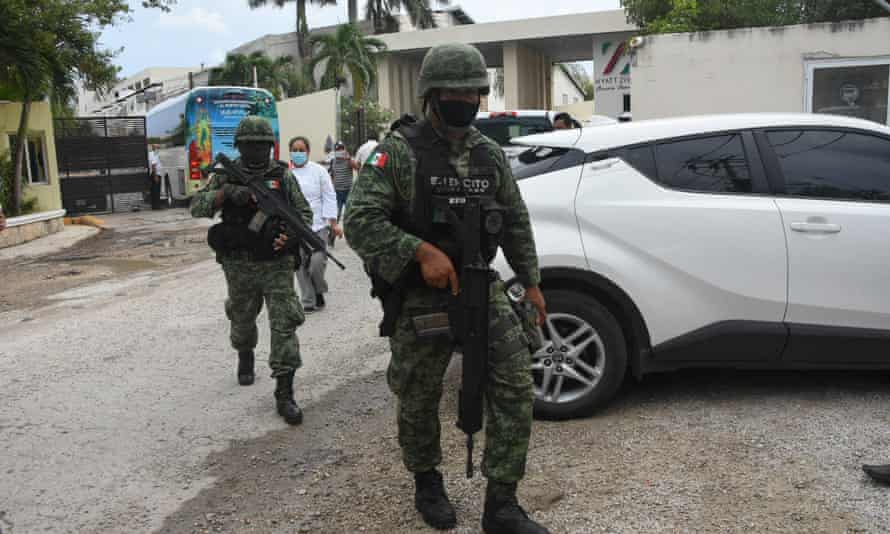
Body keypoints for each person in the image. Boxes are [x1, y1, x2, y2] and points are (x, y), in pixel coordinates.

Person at [344, 43, 550, 534]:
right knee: (418, 393)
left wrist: (532, 283)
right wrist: (419, 252)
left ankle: (501, 503)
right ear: (431, 94)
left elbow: (515, 219)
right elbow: (359, 222)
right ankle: (427, 482)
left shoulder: (488, 153)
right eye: (452, 90)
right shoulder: (398, 153)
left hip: (481, 283)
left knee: (516, 383)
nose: (463, 98)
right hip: (422, 295)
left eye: (471, 90)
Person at [190, 115, 312, 426]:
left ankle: (284, 392)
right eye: (251, 146)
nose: (258, 152)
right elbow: (198, 207)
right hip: (239, 264)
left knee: (285, 321)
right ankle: (245, 353)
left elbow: (303, 214)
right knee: (242, 319)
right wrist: (226, 194)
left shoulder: (282, 177)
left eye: (263, 146)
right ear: (241, 147)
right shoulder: (226, 174)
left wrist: (292, 236)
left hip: (276, 263)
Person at [288, 135, 341, 312]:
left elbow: (329, 196)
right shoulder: (286, 174)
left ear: (308, 152)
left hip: (318, 227)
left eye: (301, 150)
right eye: (294, 150)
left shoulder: (319, 171)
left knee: (317, 264)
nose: (298, 153)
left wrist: (333, 223)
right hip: (296, 228)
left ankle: (319, 290)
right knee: (300, 265)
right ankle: (308, 301)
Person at [329, 141, 354, 220]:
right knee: (336, 213)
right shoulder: (333, 161)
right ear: (335, 151)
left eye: (341, 149)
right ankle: (334, 231)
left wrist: (349, 158)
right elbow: (332, 175)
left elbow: (356, 167)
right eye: (338, 150)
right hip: (337, 192)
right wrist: (331, 189)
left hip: (348, 191)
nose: (340, 151)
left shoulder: (348, 160)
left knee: (350, 214)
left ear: (344, 150)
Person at [148, 144, 162, 210]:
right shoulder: (153, 154)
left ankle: (155, 206)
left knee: (154, 191)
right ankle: (156, 206)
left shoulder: (152, 154)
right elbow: (153, 165)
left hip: (154, 174)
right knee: (156, 191)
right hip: (155, 174)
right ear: (154, 148)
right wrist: (155, 176)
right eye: (157, 148)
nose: (158, 149)